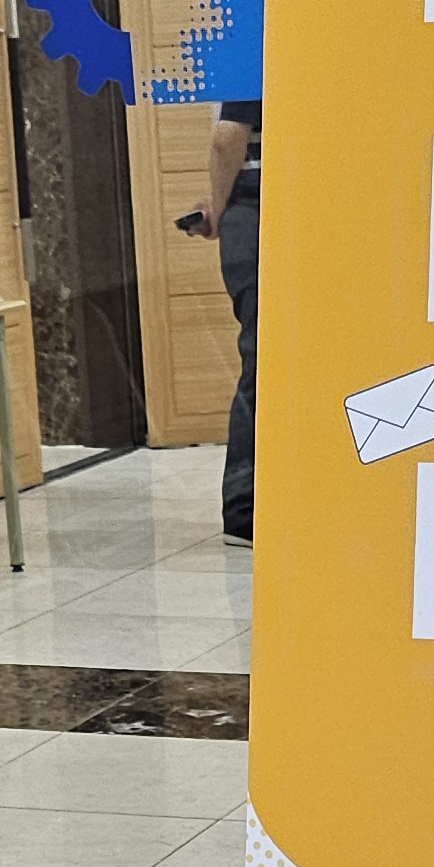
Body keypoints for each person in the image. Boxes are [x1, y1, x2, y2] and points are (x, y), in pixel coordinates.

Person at [180, 96, 261, 541]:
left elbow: (227, 140)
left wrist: (218, 205)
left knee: (262, 361)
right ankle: (245, 510)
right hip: (263, 208)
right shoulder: (258, 56)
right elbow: (228, 139)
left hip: (253, 209)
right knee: (266, 363)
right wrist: (219, 204)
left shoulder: (247, 50)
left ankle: (245, 509)